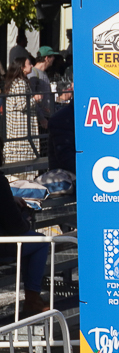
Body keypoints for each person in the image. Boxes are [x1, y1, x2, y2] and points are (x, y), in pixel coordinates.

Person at [0, 174, 50, 315]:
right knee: (41, 242)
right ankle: (32, 300)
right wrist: (26, 220)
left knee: (28, 242)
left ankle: (32, 301)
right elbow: (15, 226)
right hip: (3, 244)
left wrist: (11, 199)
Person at [4, 57, 38, 174]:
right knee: (23, 153)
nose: (32, 66)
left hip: (16, 126)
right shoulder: (20, 83)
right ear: (22, 67)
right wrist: (35, 99)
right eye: (29, 64)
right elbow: (21, 104)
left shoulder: (16, 82)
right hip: (21, 126)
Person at [28, 47, 57, 123]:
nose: (54, 58)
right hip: (40, 118)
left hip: (47, 115)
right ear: (46, 58)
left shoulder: (43, 73)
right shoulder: (33, 73)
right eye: (52, 56)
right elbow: (31, 97)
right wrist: (41, 117)